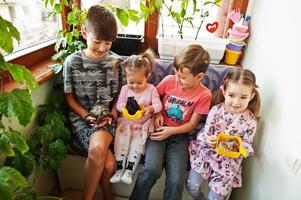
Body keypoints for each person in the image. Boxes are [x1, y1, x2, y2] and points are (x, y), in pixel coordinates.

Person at [130, 44, 212, 200]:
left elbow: (192, 124)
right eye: (176, 74)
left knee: (176, 180)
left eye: (182, 77)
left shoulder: (204, 95)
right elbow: (153, 99)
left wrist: (171, 131)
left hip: (179, 137)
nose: (177, 80)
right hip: (158, 130)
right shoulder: (169, 81)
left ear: (199, 76)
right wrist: (158, 112)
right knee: (151, 170)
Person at [63, 5, 123, 200]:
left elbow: (121, 95)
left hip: (106, 118)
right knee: (107, 164)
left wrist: (113, 114)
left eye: (108, 43)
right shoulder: (72, 62)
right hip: (81, 118)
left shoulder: (117, 63)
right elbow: (69, 97)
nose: (103, 48)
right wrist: (85, 115)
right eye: (98, 41)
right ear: (84, 32)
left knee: (97, 149)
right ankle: (107, 196)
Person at [187, 69, 260, 200]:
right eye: (232, 95)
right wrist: (208, 139)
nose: (236, 102)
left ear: (252, 96)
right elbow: (205, 132)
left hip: (228, 164)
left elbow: (248, 146)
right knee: (192, 186)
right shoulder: (216, 111)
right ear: (224, 91)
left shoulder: (251, 121)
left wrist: (239, 147)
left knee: (215, 198)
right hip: (206, 154)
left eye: (243, 97)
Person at [109, 49, 162, 185]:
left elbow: (158, 105)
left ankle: (129, 171)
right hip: (125, 124)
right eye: (131, 82)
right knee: (120, 145)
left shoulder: (151, 89)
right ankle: (119, 169)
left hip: (141, 127)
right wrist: (125, 108)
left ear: (147, 77)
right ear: (126, 77)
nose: (135, 86)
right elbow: (119, 105)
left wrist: (150, 109)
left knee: (136, 147)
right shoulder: (125, 89)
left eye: (140, 83)